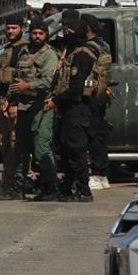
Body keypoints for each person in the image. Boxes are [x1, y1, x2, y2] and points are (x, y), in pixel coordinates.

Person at [50, 13, 101, 202]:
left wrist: (56, 100)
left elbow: (76, 88)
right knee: (66, 148)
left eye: (69, 30)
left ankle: (83, 189)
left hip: (78, 109)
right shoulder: (74, 52)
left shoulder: (81, 55)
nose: (65, 33)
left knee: (76, 149)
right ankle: (67, 187)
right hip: (69, 109)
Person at [14, 17, 60, 201]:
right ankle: (21, 184)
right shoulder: (24, 52)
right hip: (24, 105)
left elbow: (49, 81)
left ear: (46, 35)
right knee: (22, 148)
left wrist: (28, 86)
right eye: (34, 33)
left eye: (41, 33)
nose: (37, 36)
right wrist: (11, 99)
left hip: (41, 106)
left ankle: (51, 186)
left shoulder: (49, 55)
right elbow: (16, 77)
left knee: (41, 148)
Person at [0, 15, 28, 199]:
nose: (10, 31)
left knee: (14, 141)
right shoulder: (7, 49)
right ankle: (8, 179)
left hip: (13, 99)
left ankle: (21, 180)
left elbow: (21, 77)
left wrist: (12, 101)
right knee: (3, 141)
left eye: (14, 28)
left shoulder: (23, 49)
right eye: (8, 28)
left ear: (21, 28)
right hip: (2, 97)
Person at [82, 13, 114, 191]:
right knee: (99, 135)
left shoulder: (89, 48)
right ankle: (102, 174)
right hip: (101, 94)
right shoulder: (104, 45)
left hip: (92, 95)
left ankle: (96, 174)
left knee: (93, 136)